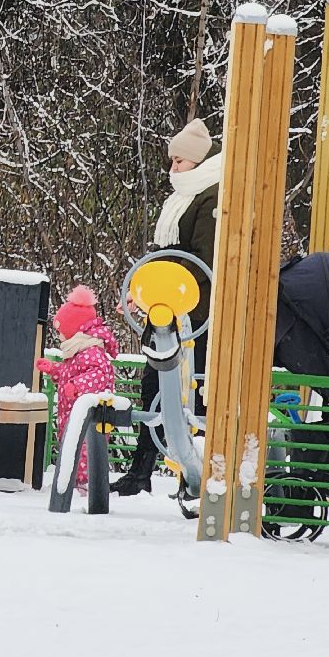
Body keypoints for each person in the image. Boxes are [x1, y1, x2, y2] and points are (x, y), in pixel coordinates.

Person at [112, 118, 223, 497]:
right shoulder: (187, 198)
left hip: (194, 315)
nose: (172, 169)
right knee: (155, 386)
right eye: (172, 161)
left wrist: (156, 280)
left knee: (193, 391)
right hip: (170, 311)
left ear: (198, 161)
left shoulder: (210, 198)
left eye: (179, 162)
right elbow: (170, 256)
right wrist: (145, 287)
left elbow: (202, 259)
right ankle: (144, 469)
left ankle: (190, 473)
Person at [36, 285, 119, 492]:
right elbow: (70, 374)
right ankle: (73, 480)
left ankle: (82, 483)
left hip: (86, 417)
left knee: (83, 447)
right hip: (72, 414)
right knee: (73, 447)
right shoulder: (79, 353)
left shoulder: (91, 352)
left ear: (75, 329)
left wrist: (76, 386)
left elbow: (99, 375)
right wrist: (54, 370)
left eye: (62, 332)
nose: (60, 337)